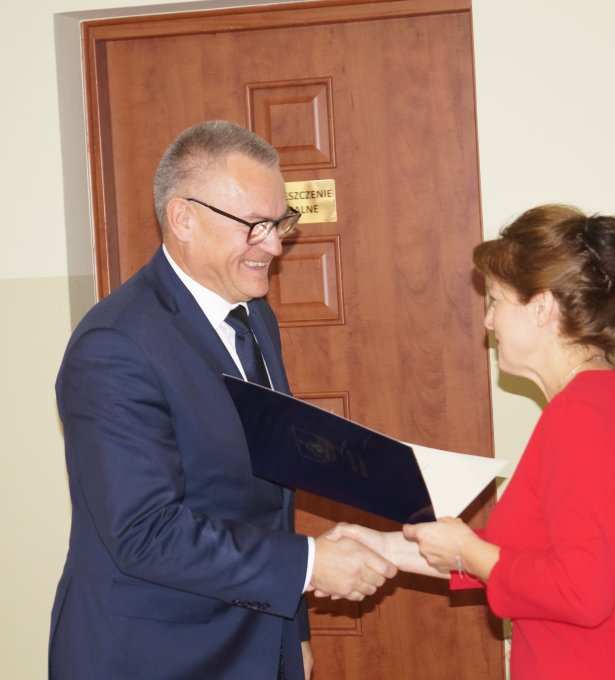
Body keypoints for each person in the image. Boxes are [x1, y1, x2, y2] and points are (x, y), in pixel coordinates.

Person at [48, 120, 396, 680]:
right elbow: (145, 533)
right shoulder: (114, 346)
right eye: (254, 225)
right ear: (183, 218)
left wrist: (291, 633)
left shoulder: (254, 316)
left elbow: (269, 495)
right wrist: (310, 565)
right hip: (155, 656)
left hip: (256, 642)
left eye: (279, 223)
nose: (274, 245)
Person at [331, 204, 615, 678]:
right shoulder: (611, 399)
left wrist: (466, 551)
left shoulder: (585, 418)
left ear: (541, 307)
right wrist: (379, 547)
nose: (488, 321)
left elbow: (580, 592)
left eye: (496, 300)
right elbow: (520, 560)